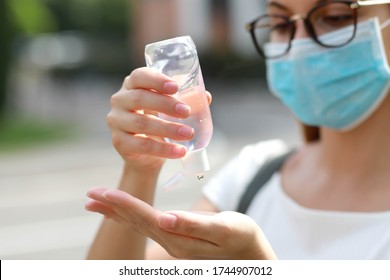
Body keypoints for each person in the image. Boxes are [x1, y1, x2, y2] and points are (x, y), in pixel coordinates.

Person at [85, 0, 390, 260]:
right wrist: (141, 170)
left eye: (335, 17)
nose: (298, 44)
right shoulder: (254, 175)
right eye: (281, 23)